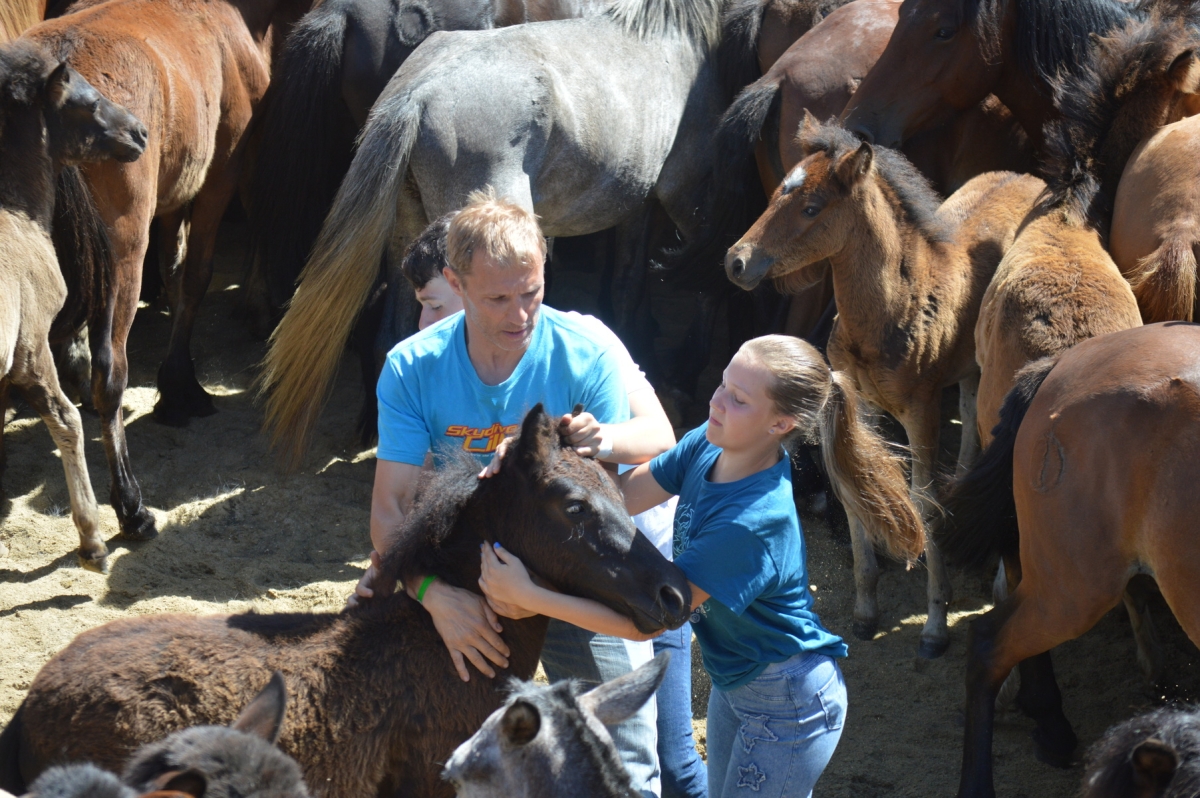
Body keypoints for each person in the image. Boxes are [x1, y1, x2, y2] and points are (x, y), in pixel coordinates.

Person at [478, 334, 928, 798]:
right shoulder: (707, 445)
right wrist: (554, 459)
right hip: (736, 684)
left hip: (789, 702)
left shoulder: (751, 522)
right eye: (722, 384)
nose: (717, 401)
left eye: (739, 399)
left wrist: (530, 597)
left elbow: (648, 626)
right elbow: (621, 501)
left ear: (782, 423)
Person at [353, 190, 675, 798]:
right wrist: (433, 595)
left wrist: (596, 446)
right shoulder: (411, 365)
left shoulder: (583, 353)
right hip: (460, 571)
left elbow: (606, 500)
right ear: (454, 281)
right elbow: (391, 511)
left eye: (531, 292)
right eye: (498, 298)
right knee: (401, 732)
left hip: (576, 569)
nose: (520, 314)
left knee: (624, 754)